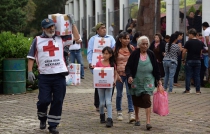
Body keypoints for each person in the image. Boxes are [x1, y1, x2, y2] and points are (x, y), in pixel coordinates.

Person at [27, 17, 78, 134]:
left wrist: (73, 24)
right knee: (44, 101)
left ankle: (53, 125)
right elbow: (31, 57)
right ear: (43, 28)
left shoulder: (61, 39)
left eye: (52, 26)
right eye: (49, 27)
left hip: (59, 75)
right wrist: (29, 71)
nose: (51, 28)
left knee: (58, 101)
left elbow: (77, 38)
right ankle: (42, 117)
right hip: (44, 76)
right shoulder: (37, 40)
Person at [125, 36, 162, 130]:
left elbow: (156, 67)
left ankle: (148, 122)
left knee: (147, 99)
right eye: (143, 44)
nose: (145, 46)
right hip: (136, 80)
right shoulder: (134, 54)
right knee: (136, 99)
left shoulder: (151, 54)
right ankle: (137, 118)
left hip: (148, 81)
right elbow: (128, 66)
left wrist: (159, 80)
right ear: (139, 45)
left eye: (146, 44)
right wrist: (129, 76)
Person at [87, 22, 116, 111]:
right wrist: (90, 62)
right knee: (99, 82)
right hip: (97, 64)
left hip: (109, 64)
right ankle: (98, 104)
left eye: (105, 28)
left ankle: (108, 103)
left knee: (110, 83)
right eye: (102, 28)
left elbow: (114, 48)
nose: (104, 29)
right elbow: (90, 51)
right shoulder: (93, 39)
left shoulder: (110, 38)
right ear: (97, 30)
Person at [114, 31, 135, 123]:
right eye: (125, 38)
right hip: (119, 74)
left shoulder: (131, 49)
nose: (127, 40)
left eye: (128, 38)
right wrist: (116, 74)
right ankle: (119, 112)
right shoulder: (115, 49)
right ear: (120, 39)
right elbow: (113, 63)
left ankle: (131, 112)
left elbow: (134, 62)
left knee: (130, 93)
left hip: (129, 74)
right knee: (119, 94)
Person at [96, 46, 117, 128]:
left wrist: (114, 81)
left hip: (109, 86)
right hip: (100, 86)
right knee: (101, 103)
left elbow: (115, 74)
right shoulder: (98, 63)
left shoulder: (112, 64)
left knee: (108, 102)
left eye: (107, 53)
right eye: (103, 53)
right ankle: (102, 115)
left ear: (110, 55)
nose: (104, 55)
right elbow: (96, 74)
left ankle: (110, 119)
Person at [182, 28, 203, 94]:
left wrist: (183, 59)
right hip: (198, 60)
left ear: (191, 34)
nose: (188, 36)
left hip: (190, 60)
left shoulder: (188, 42)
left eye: (189, 35)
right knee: (197, 75)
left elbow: (184, 51)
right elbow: (200, 52)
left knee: (188, 75)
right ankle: (198, 90)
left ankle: (187, 90)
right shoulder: (200, 43)